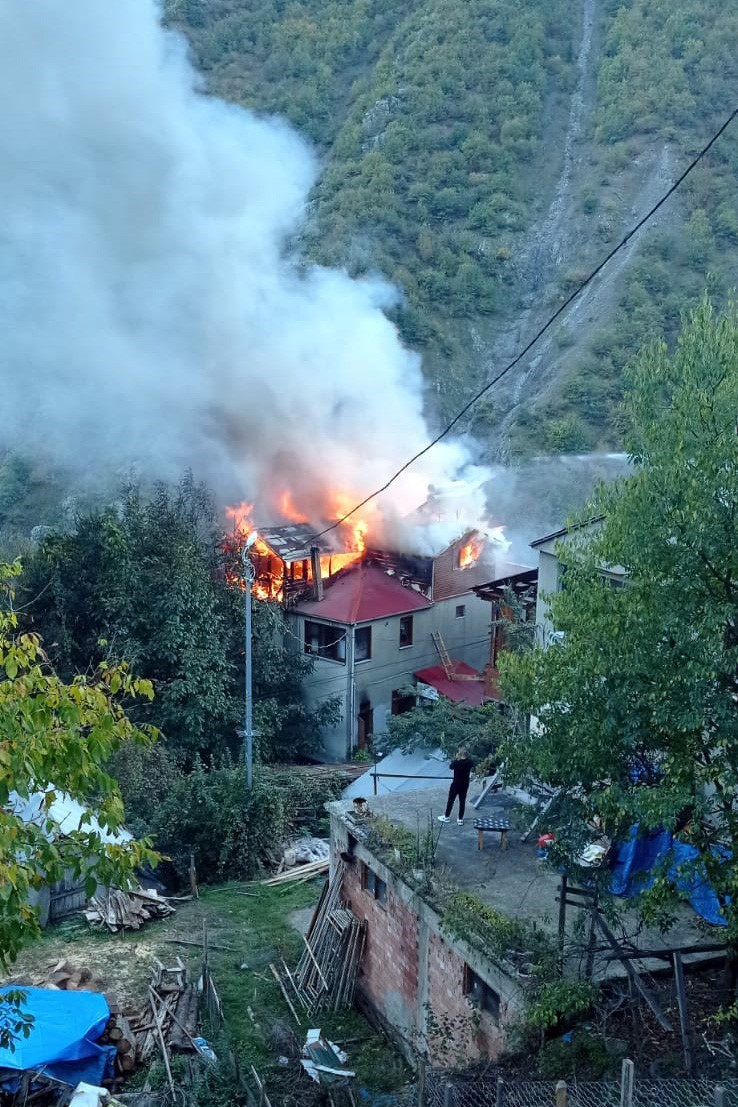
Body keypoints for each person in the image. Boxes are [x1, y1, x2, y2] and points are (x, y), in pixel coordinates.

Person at [438, 748, 474, 825]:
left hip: (456, 784)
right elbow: (471, 763)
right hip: (465, 785)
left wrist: (456, 759)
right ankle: (460, 819)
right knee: (462, 801)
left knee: (451, 800)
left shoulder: (456, 763)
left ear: (459, 754)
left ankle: (447, 816)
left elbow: (451, 767)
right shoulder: (470, 762)